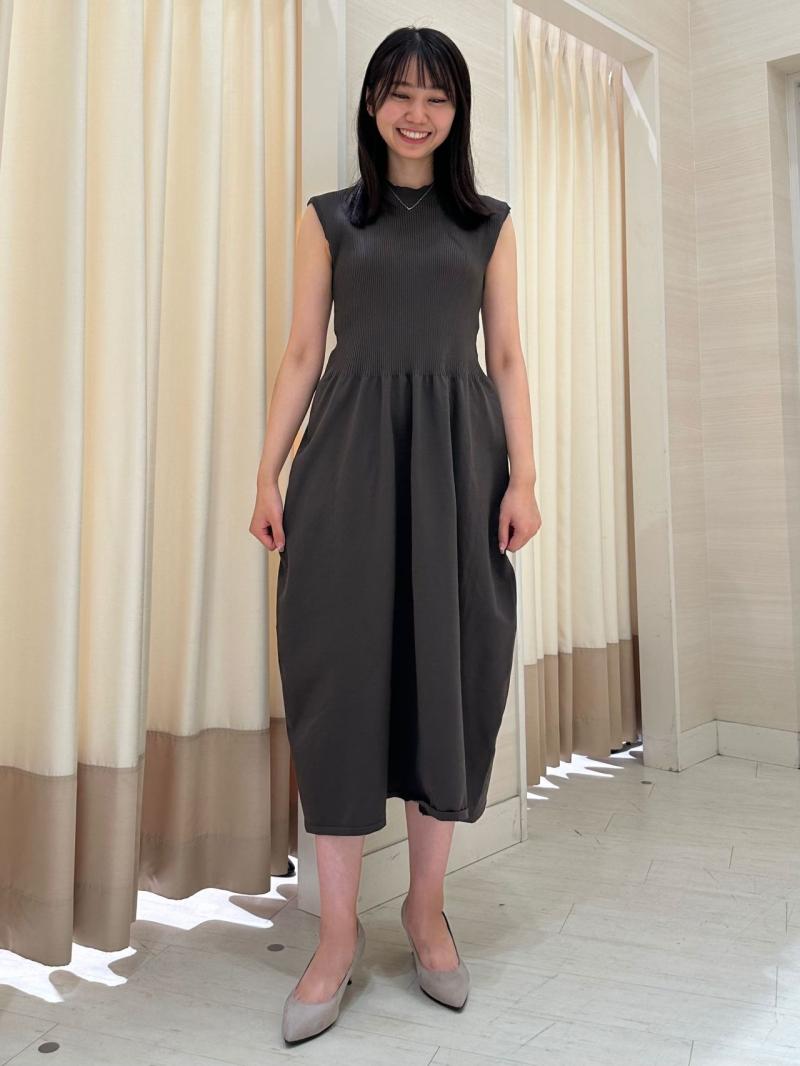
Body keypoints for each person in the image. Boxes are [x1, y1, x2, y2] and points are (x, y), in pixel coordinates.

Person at [250, 25, 540, 1045]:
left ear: (457, 112)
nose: (416, 113)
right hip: (345, 463)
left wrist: (525, 476)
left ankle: (424, 913)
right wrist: (266, 470)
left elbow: (505, 357)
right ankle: (336, 935)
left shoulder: (488, 225)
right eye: (398, 93)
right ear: (372, 103)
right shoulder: (328, 218)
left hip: (459, 467)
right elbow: (301, 352)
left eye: (436, 97)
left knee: (445, 682)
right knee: (337, 684)